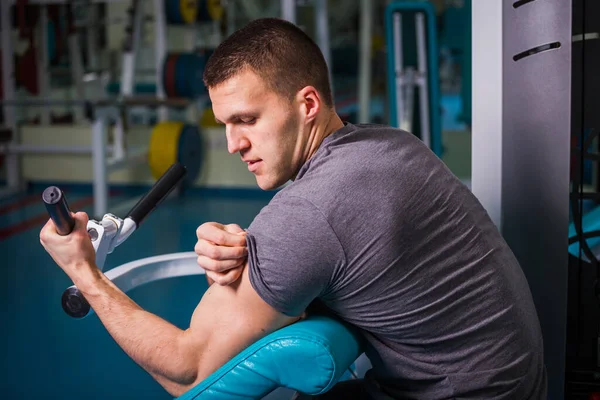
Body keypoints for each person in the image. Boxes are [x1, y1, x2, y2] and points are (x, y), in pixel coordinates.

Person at [40, 17, 547, 400]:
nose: (234, 144)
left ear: (307, 105)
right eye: (224, 124)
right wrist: (260, 255)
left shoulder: (309, 212)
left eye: (247, 119)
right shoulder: (387, 144)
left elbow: (189, 373)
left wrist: (85, 273)